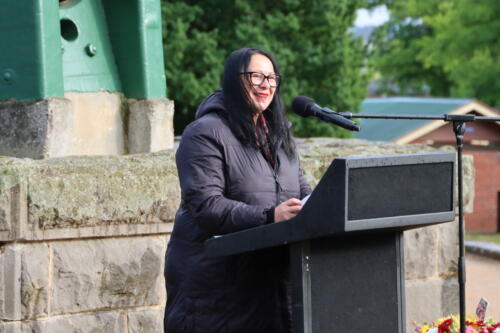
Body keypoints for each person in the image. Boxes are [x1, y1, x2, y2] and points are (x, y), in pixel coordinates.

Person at [164, 47, 312, 333]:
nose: (266, 84)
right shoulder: (205, 133)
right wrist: (270, 216)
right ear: (234, 79)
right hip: (218, 289)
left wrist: (318, 206)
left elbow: (301, 191)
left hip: (271, 287)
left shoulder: (280, 137)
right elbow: (206, 206)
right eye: (256, 75)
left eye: (271, 77)